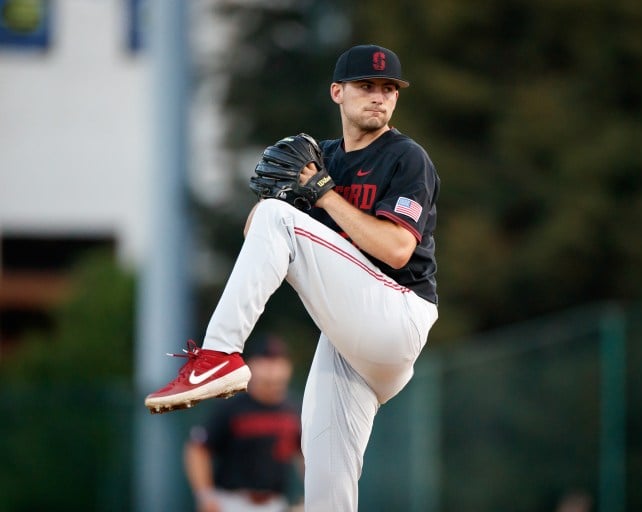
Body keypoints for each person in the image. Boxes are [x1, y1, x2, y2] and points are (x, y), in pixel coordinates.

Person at [146, 44, 440, 512]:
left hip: (397, 314)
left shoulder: (406, 158)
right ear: (337, 92)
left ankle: (219, 353)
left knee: (278, 218)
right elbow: (257, 229)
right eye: (366, 86)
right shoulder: (321, 159)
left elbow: (397, 249)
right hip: (348, 344)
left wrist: (320, 196)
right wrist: (281, 198)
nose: (379, 97)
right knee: (327, 486)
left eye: (389, 89)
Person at [183, 335, 303, 512]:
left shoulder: (293, 409)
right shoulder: (231, 405)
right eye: (265, 361)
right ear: (250, 365)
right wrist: (205, 495)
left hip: (275, 504)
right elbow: (197, 449)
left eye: (277, 361)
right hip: (231, 502)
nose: (272, 370)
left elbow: (303, 455)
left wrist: (316, 494)